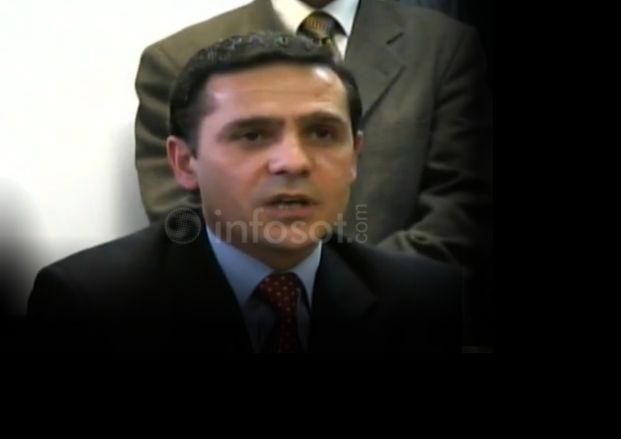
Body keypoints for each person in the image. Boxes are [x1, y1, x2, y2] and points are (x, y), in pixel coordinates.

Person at [27, 32, 462, 353]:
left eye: (322, 133)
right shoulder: (92, 303)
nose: (293, 162)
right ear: (184, 162)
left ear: (354, 157)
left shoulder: (422, 297)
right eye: (252, 135)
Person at [134, 0, 493, 275]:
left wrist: (362, 294)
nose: (293, 161)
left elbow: (460, 211)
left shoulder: (445, 46)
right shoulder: (178, 58)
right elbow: (180, 220)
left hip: (410, 321)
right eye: (253, 134)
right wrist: (281, 295)